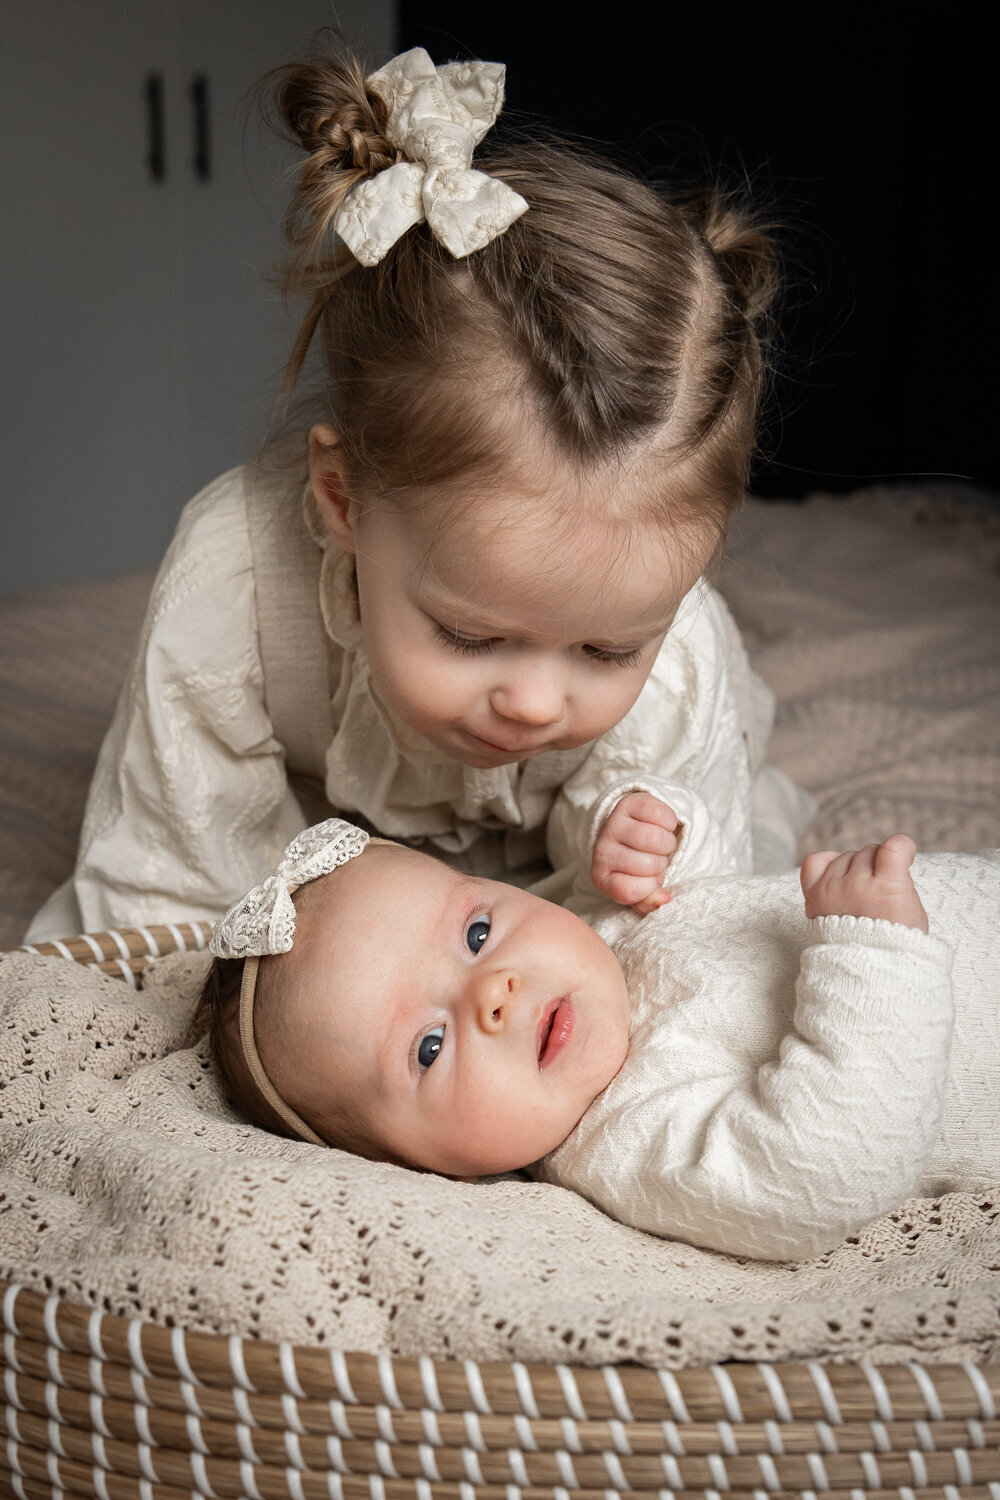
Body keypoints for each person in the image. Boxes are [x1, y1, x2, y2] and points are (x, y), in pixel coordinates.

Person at [27, 43, 812, 944]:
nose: (535, 705)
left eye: (606, 652)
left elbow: (680, 941)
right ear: (344, 499)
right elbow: (161, 893)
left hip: (581, 824)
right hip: (324, 824)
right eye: (472, 635)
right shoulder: (235, 582)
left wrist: (630, 842)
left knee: (732, 864)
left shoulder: (677, 655)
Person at [194, 815, 999, 1263]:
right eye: (428, 1048)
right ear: (420, 1171)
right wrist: (872, 955)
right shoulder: (625, 1143)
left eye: (476, 931)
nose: (494, 994)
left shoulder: (593, 938)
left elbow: (721, 900)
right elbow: (818, 1175)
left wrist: (651, 839)